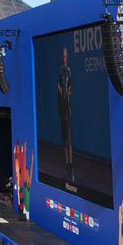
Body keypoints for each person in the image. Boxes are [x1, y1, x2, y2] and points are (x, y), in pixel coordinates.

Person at [56, 46, 74, 182]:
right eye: (62, 56)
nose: (64, 58)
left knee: (69, 140)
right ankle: (66, 165)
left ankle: (71, 165)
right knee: (64, 139)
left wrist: (68, 92)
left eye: (65, 56)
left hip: (68, 107)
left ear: (67, 57)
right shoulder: (60, 70)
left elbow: (71, 87)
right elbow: (58, 85)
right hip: (62, 107)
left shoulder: (69, 71)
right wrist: (60, 90)